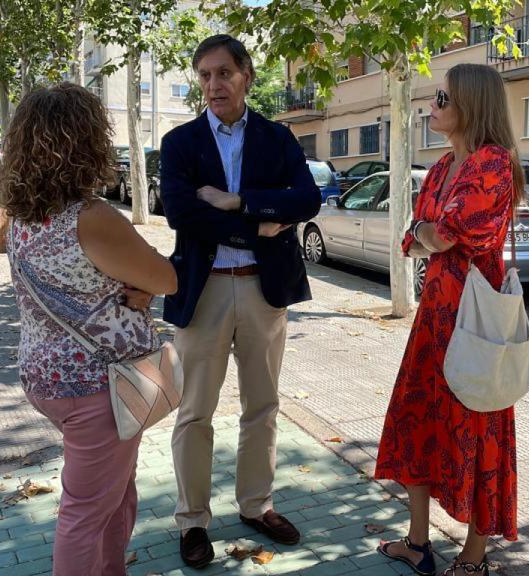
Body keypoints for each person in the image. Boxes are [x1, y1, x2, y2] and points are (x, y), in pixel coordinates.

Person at [159, 34, 322, 570]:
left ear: (246, 76)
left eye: (224, 73)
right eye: (205, 75)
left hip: (263, 290)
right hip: (203, 292)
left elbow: (308, 198)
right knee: (194, 412)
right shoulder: (180, 143)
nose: (214, 84)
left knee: (262, 406)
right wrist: (257, 225)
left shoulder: (278, 138)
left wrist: (237, 201)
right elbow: (182, 213)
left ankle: (256, 505)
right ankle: (193, 520)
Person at [2, 83, 178, 576]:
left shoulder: (23, 218)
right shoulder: (93, 218)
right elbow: (166, 278)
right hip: (99, 387)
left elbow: (82, 283)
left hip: (48, 379)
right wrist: (141, 287)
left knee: (113, 492)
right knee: (84, 512)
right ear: (87, 142)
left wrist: (130, 285)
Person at [374, 64, 525, 576]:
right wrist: (429, 232)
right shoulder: (441, 168)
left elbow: (444, 234)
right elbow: (413, 240)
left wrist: (429, 232)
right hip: (434, 318)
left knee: (479, 430)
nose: (431, 106)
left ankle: (473, 557)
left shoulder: (494, 162)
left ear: (471, 103)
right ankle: (418, 543)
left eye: (442, 98)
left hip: (475, 319)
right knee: (415, 420)